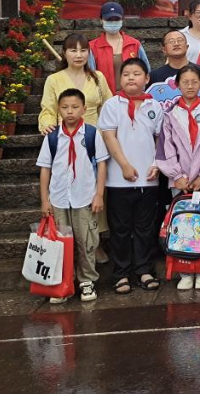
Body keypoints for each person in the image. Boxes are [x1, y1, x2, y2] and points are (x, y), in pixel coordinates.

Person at [154, 65, 200, 290]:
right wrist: (177, 176)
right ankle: (184, 271)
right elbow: (166, 148)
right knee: (182, 223)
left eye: (195, 82)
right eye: (185, 82)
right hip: (179, 180)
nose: (190, 86)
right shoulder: (170, 114)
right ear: (177, 85)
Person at [37, 88, 108, 303]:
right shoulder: (52, 137)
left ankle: (87, 280)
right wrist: (45, 200)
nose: (70, 111)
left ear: (84, 109)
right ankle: (62, 282)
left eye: (75, 107)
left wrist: (99, 194)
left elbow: (102, 165)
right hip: (59, 199)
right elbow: (45, 169)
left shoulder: (91, 134)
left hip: (84, 197)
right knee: (60, 242)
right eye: (65, 107)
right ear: (58, 109)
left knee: (86, 241)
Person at [99, 58, 164, 295]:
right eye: (126, 74)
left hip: (148, 179)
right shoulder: (112, 105)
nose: (130, 78)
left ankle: (144, 270)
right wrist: (125, 165)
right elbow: (109, 137)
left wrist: (157, 164)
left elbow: (160, 139)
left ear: (146, 78)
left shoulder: (155, 106)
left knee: (145, 228)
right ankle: (121, 274)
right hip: (119, 180)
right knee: (121, 229)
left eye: (136, 74)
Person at [39, 33, 114, 135]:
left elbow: (108, 106)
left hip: (94, 136)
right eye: (73, 51)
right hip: (66, 136)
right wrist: (48, 124)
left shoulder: (98, 77)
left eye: (83, 50)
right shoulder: (53, 80)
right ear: (64, 53)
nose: (79, 55)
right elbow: (48, 110)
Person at [89, 2, 150, 92]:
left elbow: (146, 70)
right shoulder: (93, 47)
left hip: (132, 96)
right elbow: (90, 75)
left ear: (122, 20)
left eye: (117, 19)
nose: (113, 22)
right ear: (101, 20)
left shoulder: (134, 44)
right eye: (109, 19)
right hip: (105, 98)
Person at [147, 30, 200, 106]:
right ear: (164, 49)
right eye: (171, 41)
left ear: (187, 47)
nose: (176, 44)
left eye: (180, 40)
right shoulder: (154, 75)